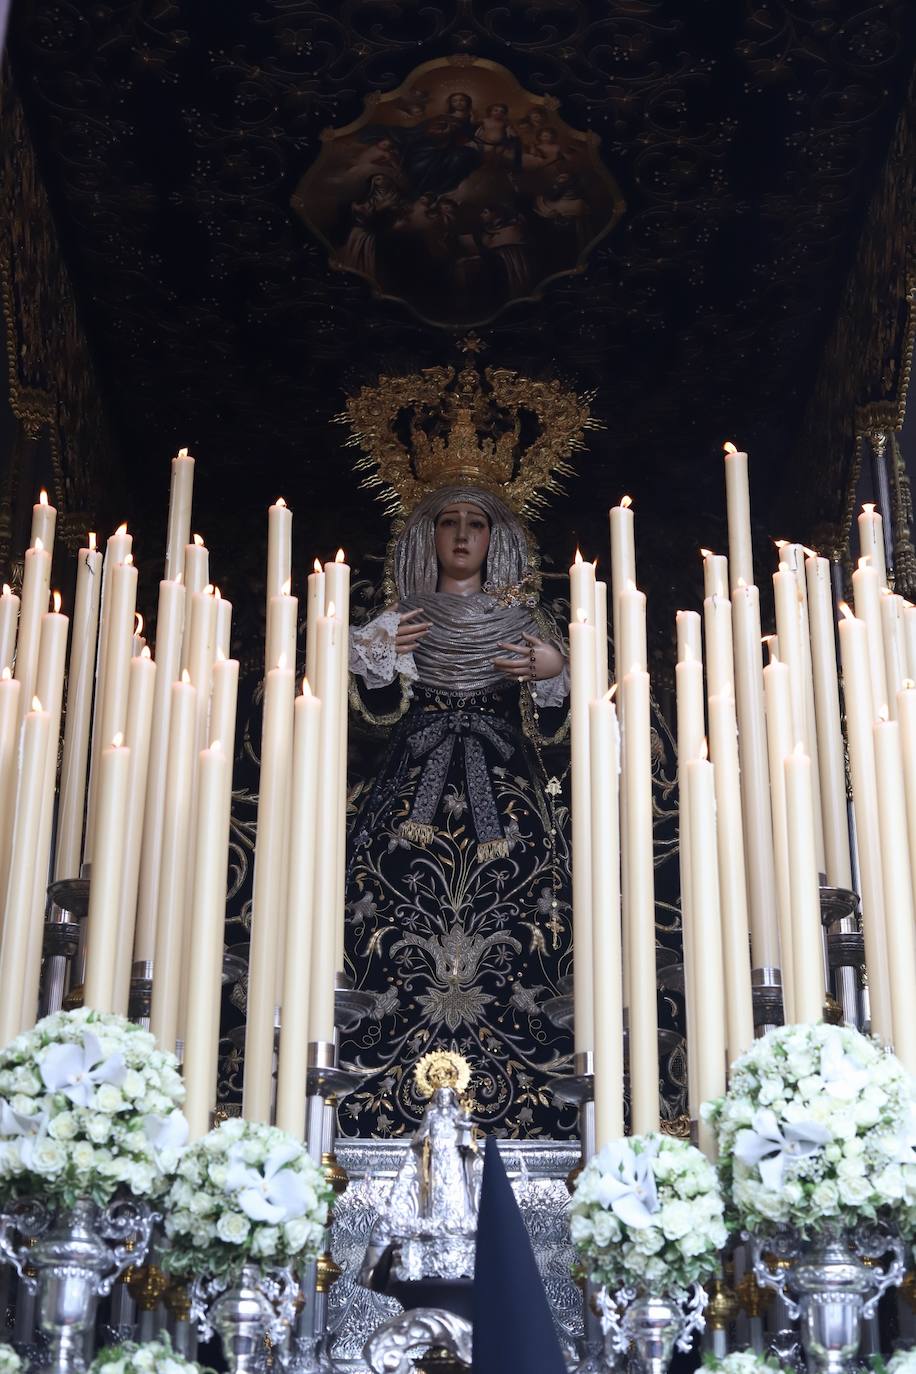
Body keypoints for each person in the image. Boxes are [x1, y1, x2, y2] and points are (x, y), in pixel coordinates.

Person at [341, 484, 574, 1139]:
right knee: (381, 905)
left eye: (477, 524)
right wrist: (375, 662)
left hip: (508, 803)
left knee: (531, 916)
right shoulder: (396, 621)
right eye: (450, 523)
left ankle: (527, 1072)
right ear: (428, 535)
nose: (463, 536)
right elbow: (370, 725)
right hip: (407, 798)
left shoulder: (528, 625)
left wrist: (555, 673)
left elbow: (557, 734)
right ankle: (382, 1070)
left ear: (497, 538)